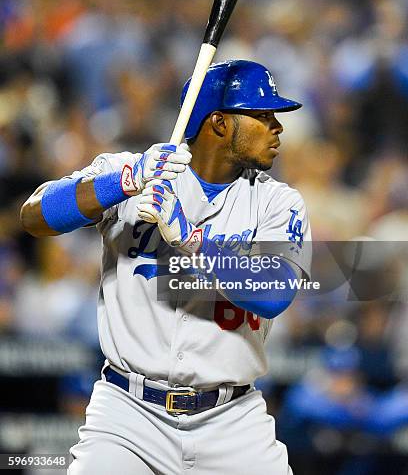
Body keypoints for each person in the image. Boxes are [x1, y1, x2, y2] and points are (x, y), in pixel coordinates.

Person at [21, 59, 311, 474]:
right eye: (263, 116)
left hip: (232, 420)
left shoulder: (277, 202)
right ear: (218, 123)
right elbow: (34, 217)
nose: (277, 127)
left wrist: (192, 240)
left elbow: (274, 293)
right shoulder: (134, 172)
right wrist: (123, 181)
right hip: (127, 414)